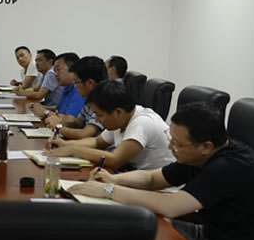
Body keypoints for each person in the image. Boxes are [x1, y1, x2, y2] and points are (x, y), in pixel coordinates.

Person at [68, 102, 254, 240]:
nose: (170, 148)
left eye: (177, 144)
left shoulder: (229, 166)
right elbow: (152, 179)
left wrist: (109, 191)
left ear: (206, 147)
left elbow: (171, 206)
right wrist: (113, 179)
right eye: (171, 140)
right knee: (136, 228)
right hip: (210, 234)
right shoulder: (201, 154)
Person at [45, 79, 173, 170]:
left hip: (161, 191)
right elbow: (97, 142)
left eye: (99, 115)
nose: (96, 119)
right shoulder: (122, 118)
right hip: (134, 178)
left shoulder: (142, 123)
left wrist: (74, 150)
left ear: (118, 112)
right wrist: (65, 144)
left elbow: (115, 160)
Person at [44, 56, 106, 139]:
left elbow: (84, 134)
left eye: (77, 82)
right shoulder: (90, 99)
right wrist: (60, 122)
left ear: (90, 83)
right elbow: (78, 123)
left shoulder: (103, 101)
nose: (75, 86)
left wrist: (58, 127)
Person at [30, 52, 84, 119]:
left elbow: (70, 119)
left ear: (73, 70)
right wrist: (41, 107)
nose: (55, 74)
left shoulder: (79, 90)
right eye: (55, 71)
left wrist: (46, 112)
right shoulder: (66, 87)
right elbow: (58, 108)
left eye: (58, 70)